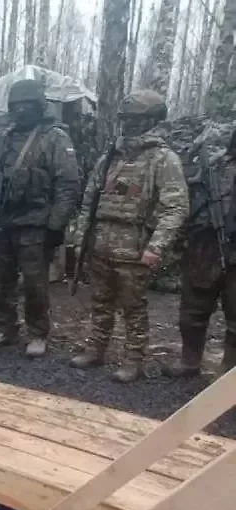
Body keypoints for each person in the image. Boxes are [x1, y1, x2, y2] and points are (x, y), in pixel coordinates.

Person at [70, 89, 188, 383]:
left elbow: (175, 208)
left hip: (135, 247)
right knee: (100, 301)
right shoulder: (110, 156)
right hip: (101, 243)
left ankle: (134, 359)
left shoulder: (163, 159)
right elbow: (89, 201)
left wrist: (156, 247)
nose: (130, 124)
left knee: (133, 308)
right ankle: (96, 348)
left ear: (153, 120)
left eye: (137, 119)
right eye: (126, 118)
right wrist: (80, 237)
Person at [0, 79, 81, 357]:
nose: (21, 110)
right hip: (2, 221)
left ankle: (37, 333)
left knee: (35, 283)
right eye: (16, 105)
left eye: (27, 105)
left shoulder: (54, 138)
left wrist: (56, 224)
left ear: (39, 106)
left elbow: (68, 183)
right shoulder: (3, 138)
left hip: (35, 223)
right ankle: (5, 327)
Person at [164, 129, 236, 381]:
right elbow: (186, 202)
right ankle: (189, 362)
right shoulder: (212, 167)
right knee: (192, 312)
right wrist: (179, 239)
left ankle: (228, 374)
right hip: (204, 248)